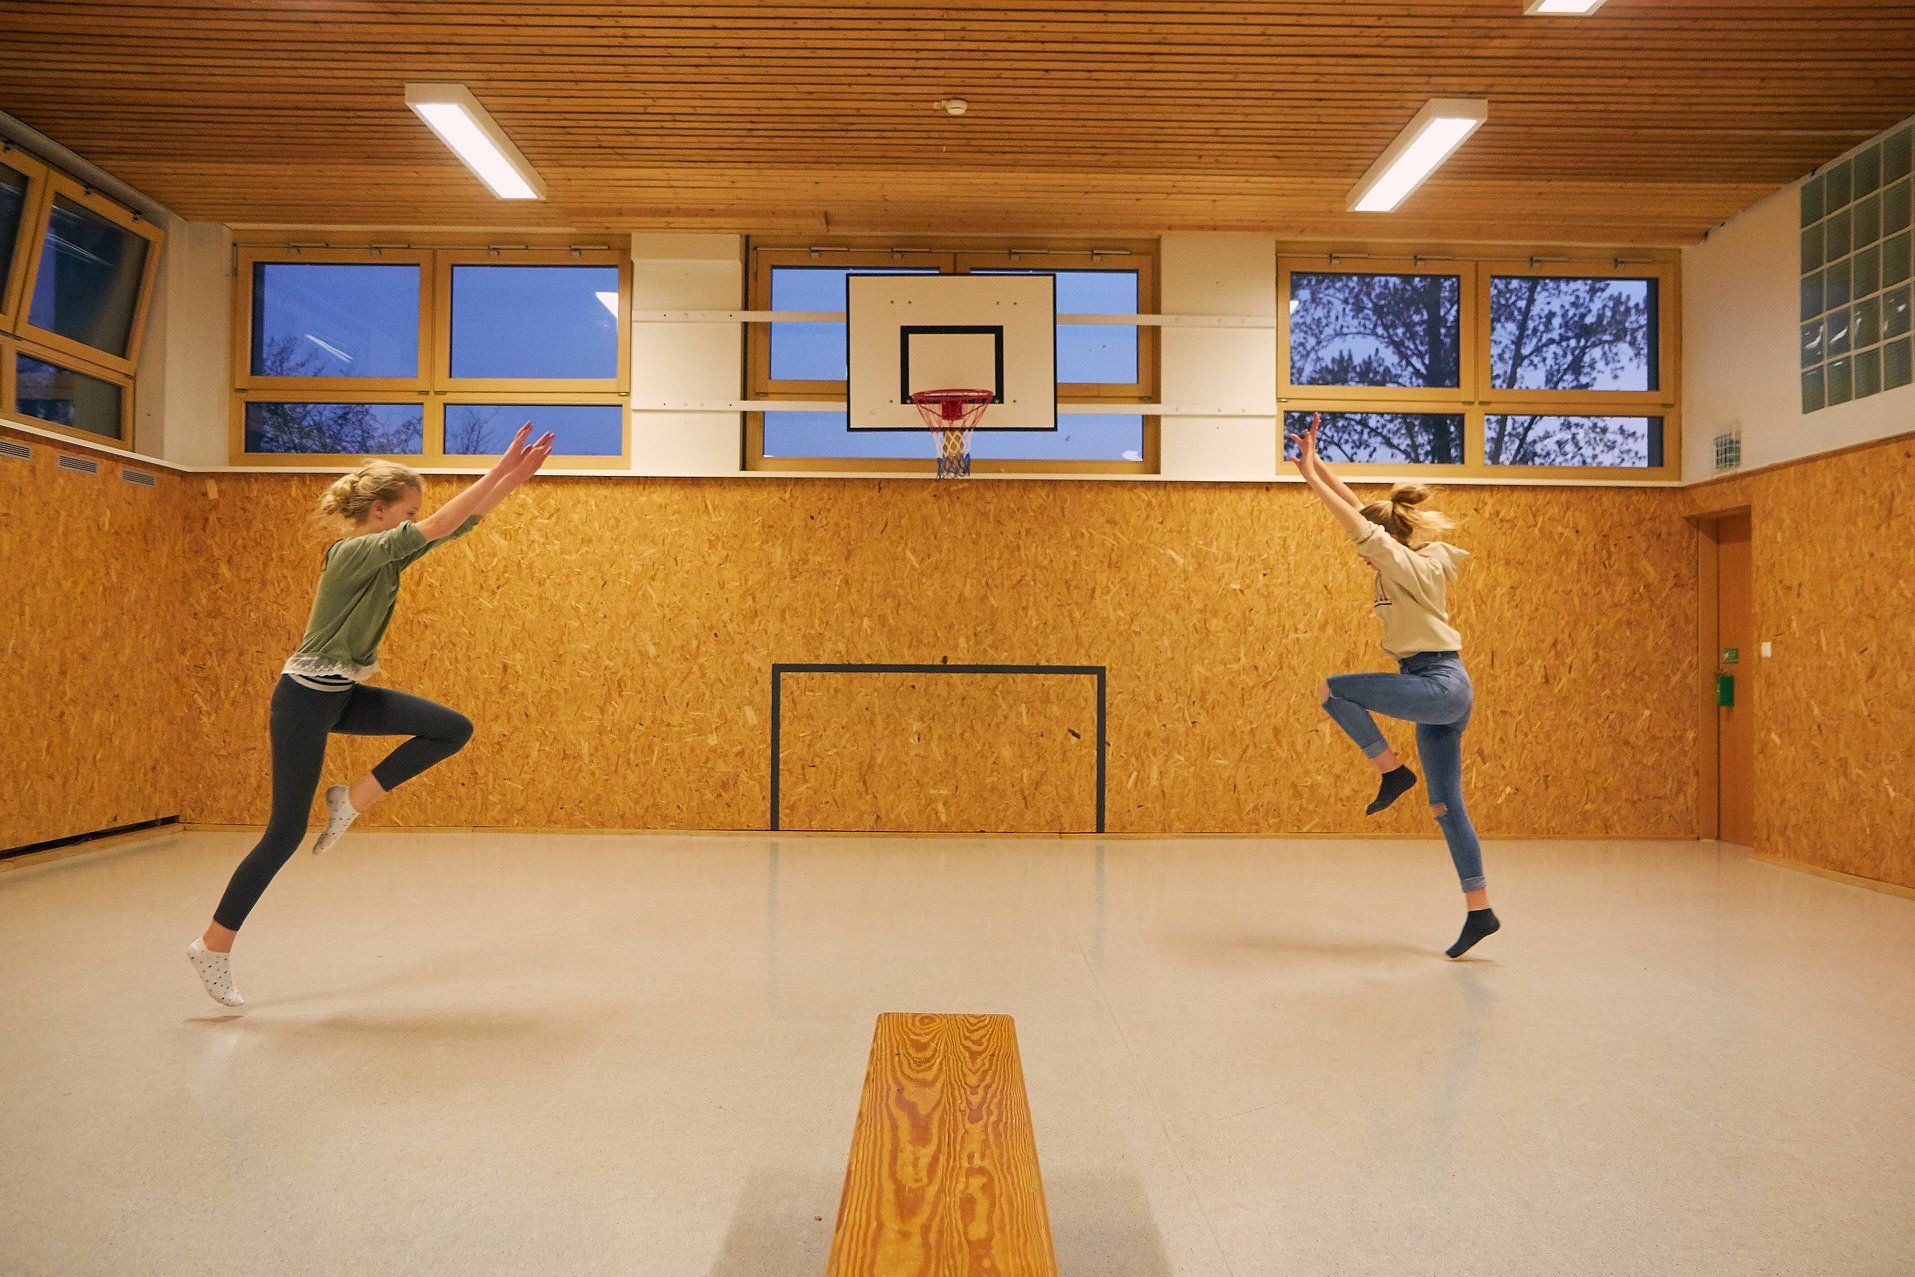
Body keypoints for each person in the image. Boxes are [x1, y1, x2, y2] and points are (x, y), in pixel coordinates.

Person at [187, 425, 555, 1007]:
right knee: (283, 834)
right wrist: (500, 470)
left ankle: (350, 800)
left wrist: (510, 476)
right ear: (379, 511)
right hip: (304, 699)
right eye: (407, 511)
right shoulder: (355, 551)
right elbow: (437, 526)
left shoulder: (390, 554)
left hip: (342, 694)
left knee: (451, 728)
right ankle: (213, 945)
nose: (416, 520)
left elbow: (453, 523)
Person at [1287, 414, 1499, 959]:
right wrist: (1317, 464)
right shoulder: (1406, 559)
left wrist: (1311, 482)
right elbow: (1361, 512)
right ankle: (1481, 911)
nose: (1361, 553)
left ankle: (1391, 770)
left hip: (1439, 681)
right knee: (1447, 805)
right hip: (1437, 688)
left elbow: (1358, 526)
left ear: (1386, 540)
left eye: (1369, 543)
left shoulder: (1407, 565)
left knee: (1334, 689)